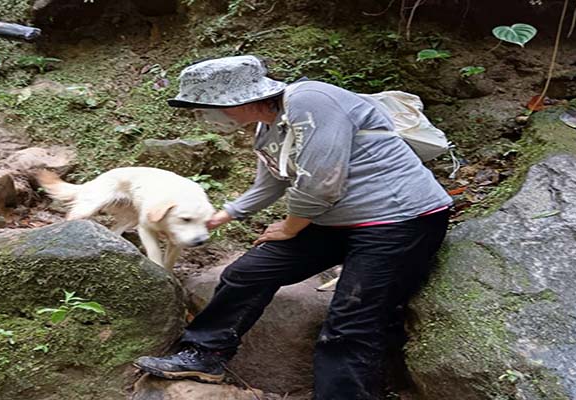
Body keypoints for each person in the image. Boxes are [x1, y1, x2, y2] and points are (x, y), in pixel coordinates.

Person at [133, 55, 453, 400]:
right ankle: (204, 355)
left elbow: (321, 183)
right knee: (247, 273)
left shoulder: (310, 100)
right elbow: (271, 182)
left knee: (350, 321)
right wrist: (226, 214)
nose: (207, 117)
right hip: (335, 221)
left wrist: (290, 226)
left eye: (207, 107)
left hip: (400, 220)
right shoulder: (266, 127)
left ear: (238, 99)